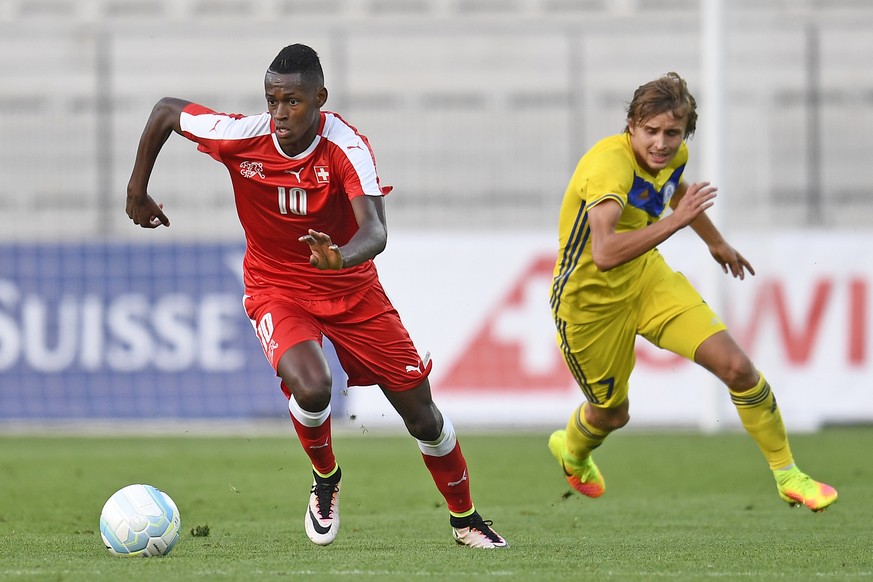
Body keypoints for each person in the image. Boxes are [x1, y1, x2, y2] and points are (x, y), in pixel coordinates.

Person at [126, 43, 507, 548]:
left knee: (422, 415)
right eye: (272, 100)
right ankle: (326, 478)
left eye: (293, 102)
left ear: (319, 98)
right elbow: (166, 111)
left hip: (351, 289)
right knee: (311, 386)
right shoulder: (243, 136)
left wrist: (342, 257)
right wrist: (136, 190)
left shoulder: (345, 146)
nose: (279, 113)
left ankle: (465, 520)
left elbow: (376, 230)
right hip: (275, 285)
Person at [547, 72, 837, 512]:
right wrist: (676, 222)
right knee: (612, 414)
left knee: (738, 369)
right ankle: (572, 451)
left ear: (684, 133)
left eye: (672, 133)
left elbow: (673, 189)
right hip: (588, 306)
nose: (662, 143)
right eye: (651, 132)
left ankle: (788, 474)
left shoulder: (673, 155)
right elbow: (604, 252)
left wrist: (715, 241)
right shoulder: (608, 166)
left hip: (647, 280)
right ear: (630, 125)